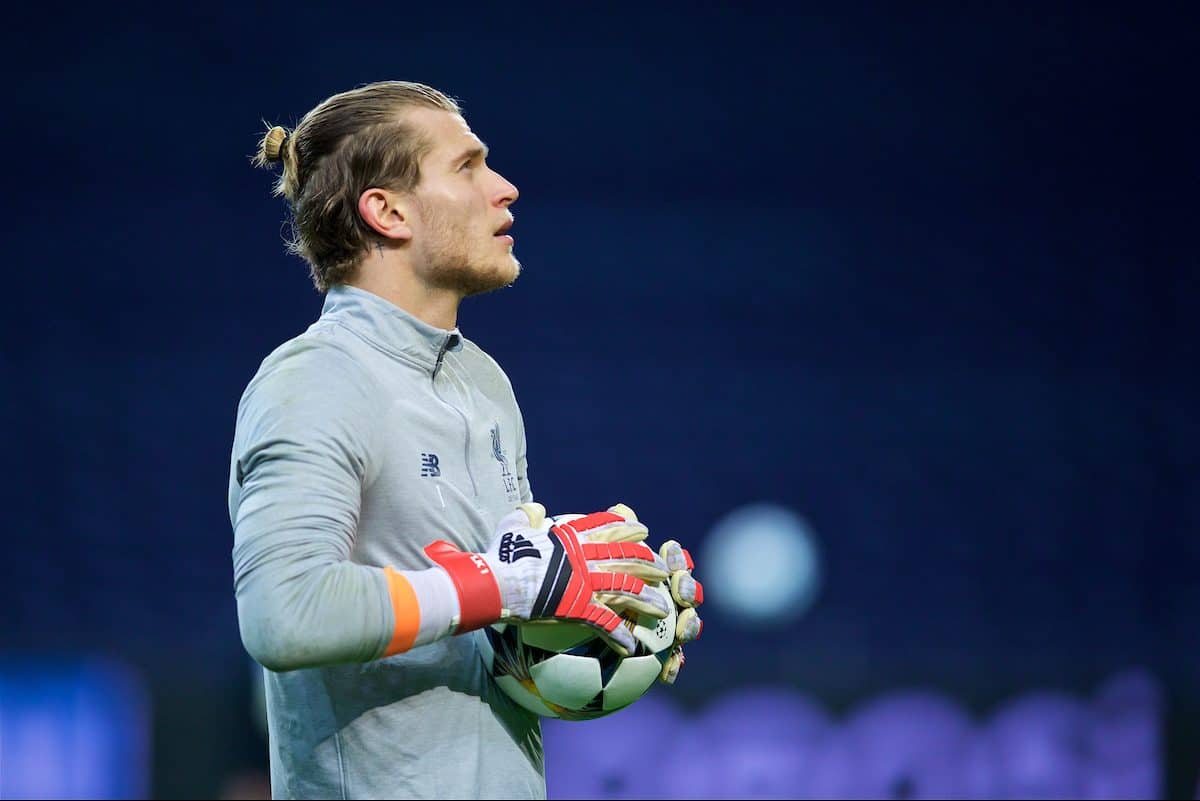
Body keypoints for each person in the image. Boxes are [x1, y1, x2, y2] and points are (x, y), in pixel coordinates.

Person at [227, 80, 703, 800]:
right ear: (386, 211)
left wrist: (610, 619)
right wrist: (506, 583)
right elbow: (284, 613)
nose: (505, 189)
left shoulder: (483, 382)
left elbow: (487, 634)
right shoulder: (314, 379)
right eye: (468, 167)